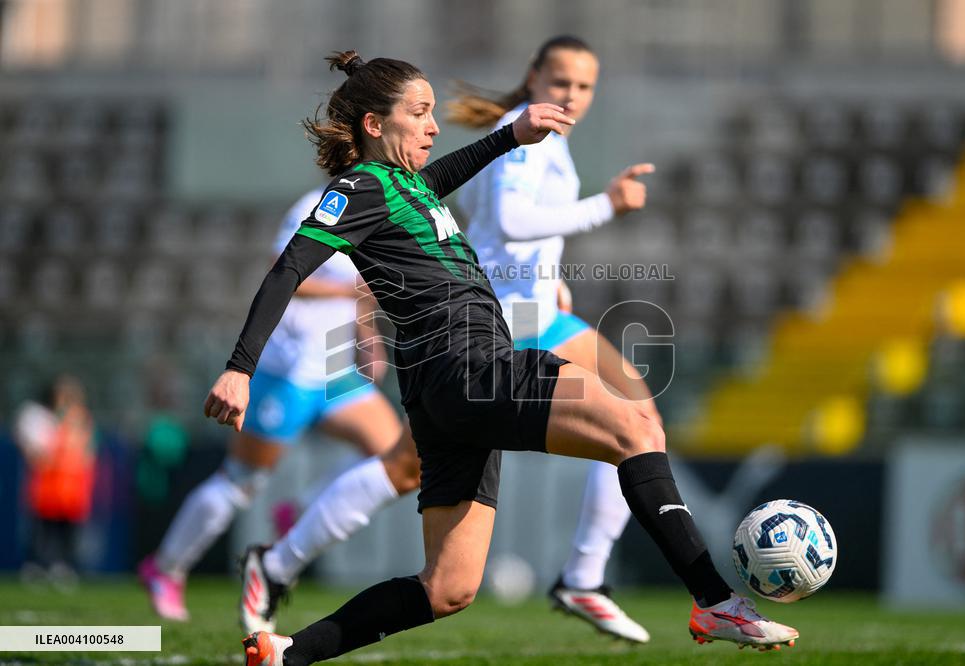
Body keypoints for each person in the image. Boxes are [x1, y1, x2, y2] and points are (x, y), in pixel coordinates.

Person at [203, 50, 798, 665]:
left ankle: (286, 654)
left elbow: (449, 171)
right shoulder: (359, 188)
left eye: (434, 112)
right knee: (637, 425)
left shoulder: (404, 185)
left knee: (447, 588)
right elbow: (288, 269)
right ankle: (713, 599)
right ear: (375, 125)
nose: (434, 126)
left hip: (445, 392)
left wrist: (512, 135)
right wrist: (240, 368)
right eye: (420, 113)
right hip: (469, 365)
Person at [238, 35, 658, 644]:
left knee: (637, 411)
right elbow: (508, 222)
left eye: (584, 86)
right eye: (561, 82)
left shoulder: (541, 141)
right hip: (495, 318)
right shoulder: (520, 135)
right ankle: (279, 564)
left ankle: (584, 576)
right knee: (407, 466)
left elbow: (490, 217)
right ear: (533, 77)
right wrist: (606, 206)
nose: (572, 95)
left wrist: (551, 274)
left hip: (530, 307)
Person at [138, 186, 410, 623]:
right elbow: (284, 272)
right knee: (240, 482)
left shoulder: (378, 215)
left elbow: (361, 292)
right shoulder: (317, 205)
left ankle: (298, 512)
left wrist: (369, 337)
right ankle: (166, 567)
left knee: (396, 455)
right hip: (288, 372)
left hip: (335, 370)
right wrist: (347, 294)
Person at [13, 375, 97, 587]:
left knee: (66, 531)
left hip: (71, 488)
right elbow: (37, 453)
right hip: (48, 486)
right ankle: (36, 565)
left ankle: (62, 566)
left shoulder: (80, 419)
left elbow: (86, 453)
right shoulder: (45, 419)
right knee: (43, 529)